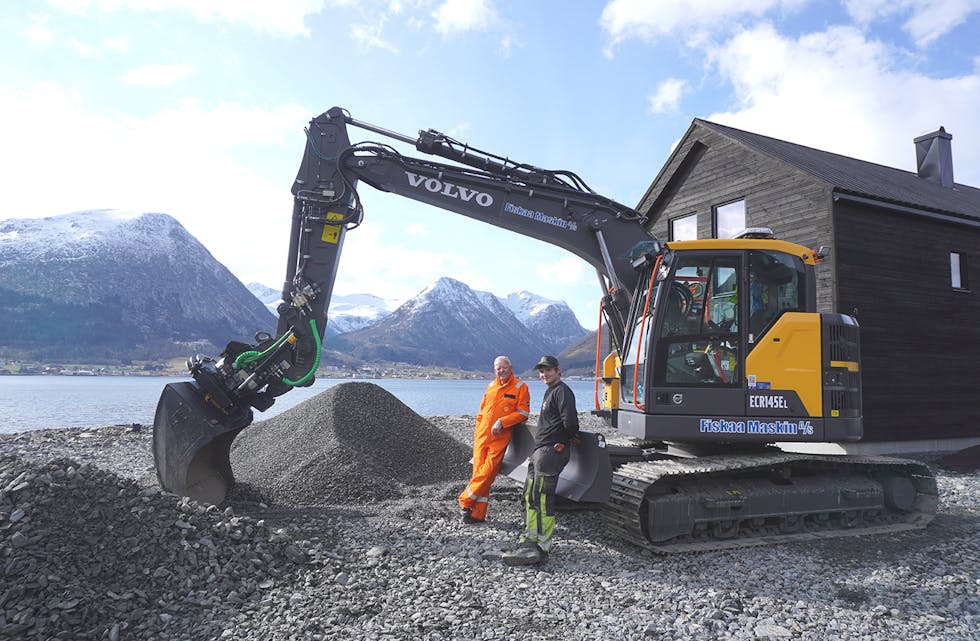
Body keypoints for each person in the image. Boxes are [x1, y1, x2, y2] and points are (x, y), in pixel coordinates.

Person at [501, 355, 579, 566]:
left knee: (543, 498)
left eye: (548, 370)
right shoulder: (549, 391)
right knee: (530, 495)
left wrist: (567, 437)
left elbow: (571, 422)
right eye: (541, 371)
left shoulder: (562, 391)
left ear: (558, 370)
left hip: (551, 451)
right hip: (539, 451)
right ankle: (530, 538)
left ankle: (542, 546)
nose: (544, 374)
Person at [458, 355, 530, 524]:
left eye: (504, 367)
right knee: (479, 472)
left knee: (488, 472)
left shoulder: (521, 387)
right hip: (481, 435)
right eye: (498, 368)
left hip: (499, 437)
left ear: (510, 368)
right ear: (494, 370)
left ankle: (465, 500)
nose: (501, 371)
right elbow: (481, 412)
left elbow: (523, 413)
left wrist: (502, 422)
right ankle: (475, 515)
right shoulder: (490, 386)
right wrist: (477, 431)